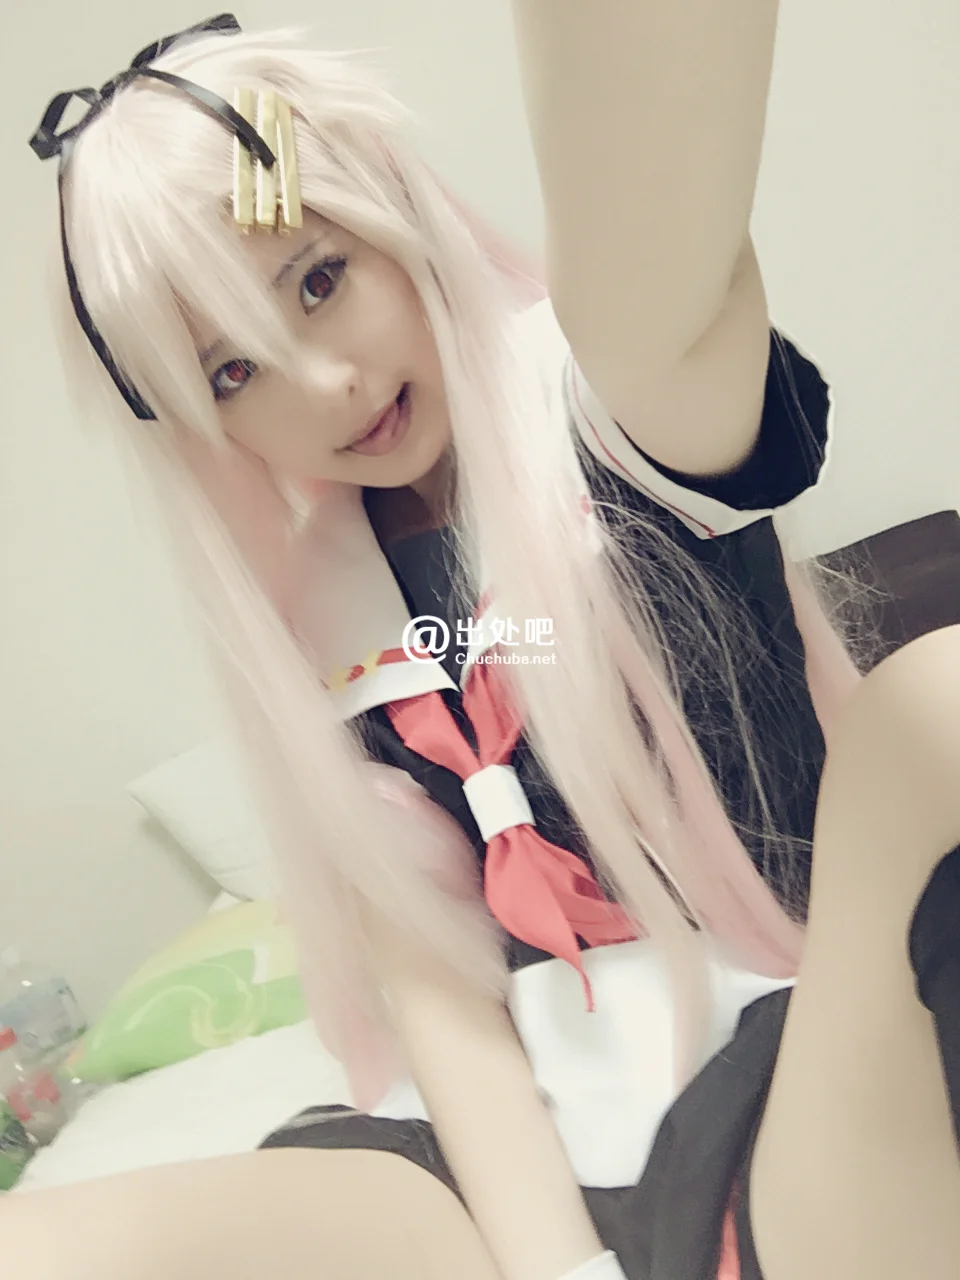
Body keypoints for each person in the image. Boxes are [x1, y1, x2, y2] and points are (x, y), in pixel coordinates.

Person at [5, 8, 960, 1279]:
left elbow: (670, 279)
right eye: (232, 374)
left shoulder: (618, 422)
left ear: (393, 213)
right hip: (506, 1154)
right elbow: (442, 991)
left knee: (935, 698)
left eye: (319, 278)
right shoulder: (322, 628)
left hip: (781, 1060)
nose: (324, 384)